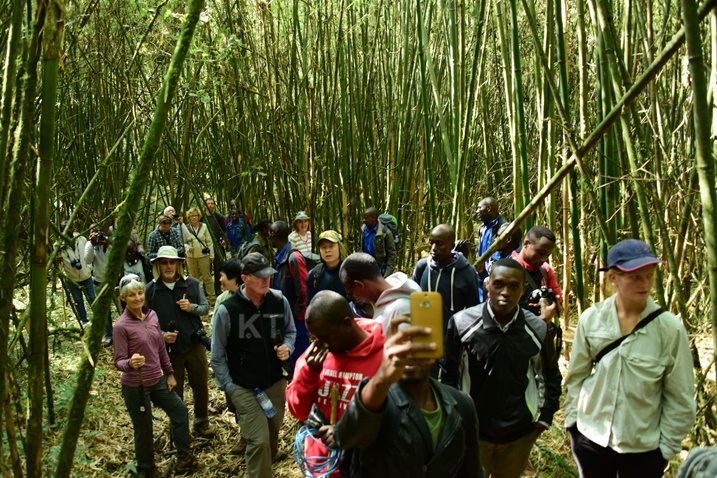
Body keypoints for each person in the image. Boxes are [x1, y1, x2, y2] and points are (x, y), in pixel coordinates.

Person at [564, 239, 696, 478]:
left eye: (650, 275)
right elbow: (576, 376)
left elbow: (681, 397)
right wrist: (573, 424)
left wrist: (666, 450)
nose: (645, 283)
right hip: (591, 436)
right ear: (613, 278)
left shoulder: (670, 329)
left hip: (643, 447)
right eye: (635, 277)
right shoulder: (591, 319)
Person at [442, 258, 562, 478]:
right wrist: (456, 420)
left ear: (523, 289)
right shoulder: (462, 324)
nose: (505, 292)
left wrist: (544, 418)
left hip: (519, 433)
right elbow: (450, 376)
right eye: (498, 284)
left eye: (514, 286)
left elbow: (549, 375)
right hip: (474, 432)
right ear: (487, 284)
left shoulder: (536, 329)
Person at [334, 316, 483, 477]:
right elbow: (345, 438)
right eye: (402, 346)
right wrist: (381, 379)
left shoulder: (462, 405)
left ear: (434, 350)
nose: (410, 352)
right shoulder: (377, 400)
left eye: (418, 344)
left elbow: (471, 471)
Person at [211, 252, 297, 478]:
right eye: (259, 276)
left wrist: (287, 347)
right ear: (244, 278)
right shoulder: (227, 310)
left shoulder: (279, 300)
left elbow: (290, 331)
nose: (265, 280)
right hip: (244, 387)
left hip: (274, 383)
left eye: (268, 275)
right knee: (258, 442)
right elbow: (217, 355)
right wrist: (230, 388)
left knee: (270, 438)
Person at [286, 291, 385, 476]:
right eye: (314, 338)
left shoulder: (385, 359)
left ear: (346, 324)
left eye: (323, 338)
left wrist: (344, 433)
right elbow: (298, 411)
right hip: (320, 466)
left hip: (363, 467)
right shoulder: (315, 358)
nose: (318, 345)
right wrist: (309, 374)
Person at [114, 274, 199, 477]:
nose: (137, 298)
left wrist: (169, 373)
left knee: (179, 411)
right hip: (136, 386)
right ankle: (147, 468)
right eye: (132, 295)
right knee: (144, 428)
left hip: (157, 380)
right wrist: (129, 363)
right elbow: (118, 361)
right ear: (123, 298)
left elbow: (161, 348)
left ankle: (184, 457)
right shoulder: (120, 326)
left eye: (140, 293)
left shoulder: (151, 315)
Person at [144, 246, 215, 438]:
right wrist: (162, 335)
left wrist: (191, 307)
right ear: (158, 265)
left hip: (194, 344)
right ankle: (179, 429)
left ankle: (201, 422)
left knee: (200, 385)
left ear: (178, 264)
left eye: (172, 262)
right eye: (164, 262)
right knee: (175, 391)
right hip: (169, 351)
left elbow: (205, 307)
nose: (168, 266)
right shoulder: (150, 290)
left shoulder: (191, 284)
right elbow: (144, 325)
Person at [412, 224, 480, 333]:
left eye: (439, 244)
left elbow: (473, 310)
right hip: (423, 334)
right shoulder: (422, 267)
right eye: (431, 242)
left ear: (452, 246)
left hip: (452, 337)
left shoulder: (467, 272)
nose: (433, 248)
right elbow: (412, 301)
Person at [339, 252, 420, 335]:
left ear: (359, 285)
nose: (353, 296)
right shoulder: (383, 298)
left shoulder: (401, 309)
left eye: (351, 291)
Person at [270, 220, 310, 369]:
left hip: (296, 320)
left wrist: (295, 316)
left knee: (301, 360)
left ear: (275, 235)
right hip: (284, 317)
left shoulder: (293, 257)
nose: (269, 237)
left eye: (271, 234)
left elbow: (304, 292)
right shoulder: (279, 256)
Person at [512, 226, 562, 322]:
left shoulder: (545, 270)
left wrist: (553, 304)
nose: (543, 259)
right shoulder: (508, 270)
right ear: (526, 244)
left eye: (547, 255)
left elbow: (557, 299)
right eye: (540, 253)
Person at [56, 220, 96, 324]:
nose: (68, 230)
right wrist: (57, 260)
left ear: (73, 228)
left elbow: (89, 253)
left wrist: (89, 268)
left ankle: (98, 318)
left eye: (70, 227)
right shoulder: (59, 245)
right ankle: (84, 321)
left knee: (92, 297)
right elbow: (58, 262)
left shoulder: (81, 239)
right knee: (78, 300)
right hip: (71, 278)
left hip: (85, 275)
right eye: (65, 228)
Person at [85, 226, 115, 347]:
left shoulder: (109, 240)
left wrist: (107, 244)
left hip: (113, 280)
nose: (97, 236)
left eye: (98, 232)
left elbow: (117, 256)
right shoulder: (89, 244)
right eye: (93, 233)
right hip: (99, 281)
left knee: (122, 307)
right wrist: (92, 245)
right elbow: (87, 260)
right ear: (90, 234)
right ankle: (109, 335)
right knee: (104, 311)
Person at [306, 230, 348, 306]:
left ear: (339, 247)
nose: (327, 250)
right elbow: (310, 306)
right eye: (323, 247)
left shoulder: (349, 272)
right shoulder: (314, 275)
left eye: (331, 246)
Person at [184, 207, 216, 304]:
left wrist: (211, 255)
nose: (194, 218)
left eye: (196, 215)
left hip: (203, 255)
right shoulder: (186, 228)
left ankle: (211, 297)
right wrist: (187, 247)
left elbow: (209, 241)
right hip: (191, 256)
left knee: (207, 277)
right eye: (192, 216)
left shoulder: (204, 226)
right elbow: (183, 242)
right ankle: (197, 298)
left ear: (198, 216)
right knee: (194, 278)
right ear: (189, 217)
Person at [359, 207, 397, 277]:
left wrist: (387, 274)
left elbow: (391, 254)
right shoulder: (363, 230)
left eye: (366, 218)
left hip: (380, 270)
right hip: (366, 269)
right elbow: (360, 248)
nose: (364, 220)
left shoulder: (385, 233)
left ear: (374, 218)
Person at [203, 196, 227, 294]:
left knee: (218, 268)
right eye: (208, 203)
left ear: (214, 205)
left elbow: (224, 231)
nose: (210, 205)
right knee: (206, 268)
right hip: (204, 246)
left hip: (217, 245)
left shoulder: (219, 217)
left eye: (212, 203)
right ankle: (206, 290)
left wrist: (224, 239)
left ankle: (217, 289)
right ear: (204, 205)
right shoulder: (202, 217)